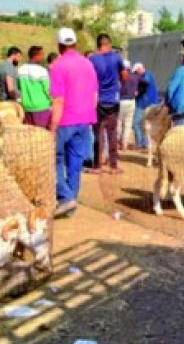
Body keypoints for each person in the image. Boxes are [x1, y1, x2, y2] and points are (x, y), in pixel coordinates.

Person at [49, 27, 98, 217]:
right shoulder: (88, 64)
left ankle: (66, 197)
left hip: (65, 120)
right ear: (75, 44)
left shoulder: (58, 66)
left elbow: (58, 100)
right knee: (75, 164)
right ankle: (70, 204)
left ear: (60, 45)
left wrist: (53, 127)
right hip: (85, 120)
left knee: (54, 161)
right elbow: (94, 95)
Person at [88, 33, 127, 173]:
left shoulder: (92, 60)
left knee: (97, 134)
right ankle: (113, 166)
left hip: (97, 101)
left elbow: (89, 80)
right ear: (108, 44)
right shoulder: (117, 58)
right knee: (112, 133)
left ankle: (97, 166)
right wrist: (119, 85)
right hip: (113, 101)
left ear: (98, 45)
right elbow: (124, 76)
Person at [17, 45, 53, 128]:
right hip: (41, 107)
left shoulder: (20, 70)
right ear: (36, 55)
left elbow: (19, 88)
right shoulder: (41, 71)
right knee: (42, 134)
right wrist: (53, 102)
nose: (43, 57)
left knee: (31, 134)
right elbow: (48, 90)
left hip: (26, 107)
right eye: (42, 55)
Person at [132, 62, 158, 150]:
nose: (135, 74)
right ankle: (143, 143)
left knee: (136, 123)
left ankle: (141, 143)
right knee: (142, 124)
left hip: (146, 104)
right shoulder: (145, 76)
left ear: (139, 69)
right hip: (145, 103)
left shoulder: (147, 75)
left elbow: (145, 83)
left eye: (136, 72)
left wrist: (137, 91)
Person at [117, 60, 139, 150]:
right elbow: (144, 83)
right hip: (131, 101)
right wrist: (138, 92)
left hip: (121, 101)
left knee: (118, 123)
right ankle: (125, 143)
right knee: (128, 124)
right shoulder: (135, 77)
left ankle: (118, 142)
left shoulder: (119, 76)